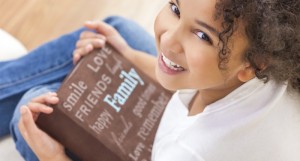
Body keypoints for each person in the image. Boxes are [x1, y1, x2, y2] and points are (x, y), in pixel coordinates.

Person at [3, 0, 300, 160]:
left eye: (201, 35)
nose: (169, 40)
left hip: (160, 149)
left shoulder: (190, 152)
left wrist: (52, 158)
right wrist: (128, 55)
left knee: (32, 107)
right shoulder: (270, 64)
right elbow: (192, 78)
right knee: (118, 32)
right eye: (175, 8)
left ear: (253, 63)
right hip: (177, 123)